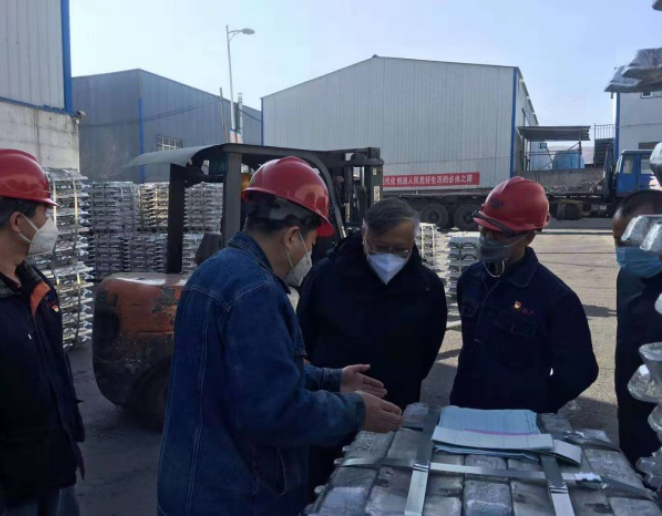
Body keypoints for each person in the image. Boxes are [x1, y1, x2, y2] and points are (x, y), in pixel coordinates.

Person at [157, 156, 404, 516]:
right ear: (291, 237)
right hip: (237, 498)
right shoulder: (256, 292)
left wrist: (332, 379)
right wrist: (356, 410)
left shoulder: (211, 273)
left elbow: (248, 376)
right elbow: (275, 412)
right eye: (311, 242)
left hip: (189, 488)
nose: (310, 254)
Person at [297, 197, 447, 494]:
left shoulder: (426, 286)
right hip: (333, 411)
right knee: (322, 488)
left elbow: (428, 349)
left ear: (413, 242)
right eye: (379, 247)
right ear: (364, 233)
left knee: (385, 491)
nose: (389, 257)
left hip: (394, 410)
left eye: (399, 249)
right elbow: (302, 339)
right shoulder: (326, 276)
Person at [0, 149, 84, 516]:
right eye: (44, 213)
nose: (50, 223)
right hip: (10, 493)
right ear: (18, 222)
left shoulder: (37, 287)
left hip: (56, 470)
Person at [450, 177, 598, 413]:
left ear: (529, 236)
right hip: (463, 408)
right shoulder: (470, 278)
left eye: (498, 233)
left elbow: (579, 372)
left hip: (518, 420)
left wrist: (536, 406)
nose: (487, 238)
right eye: (484, 227)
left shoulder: (556, 299)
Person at [612, 190, 662, 466]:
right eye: (618, 241)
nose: (623, 250)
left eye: (630, 241)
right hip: (632, 408)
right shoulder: (628, 276)